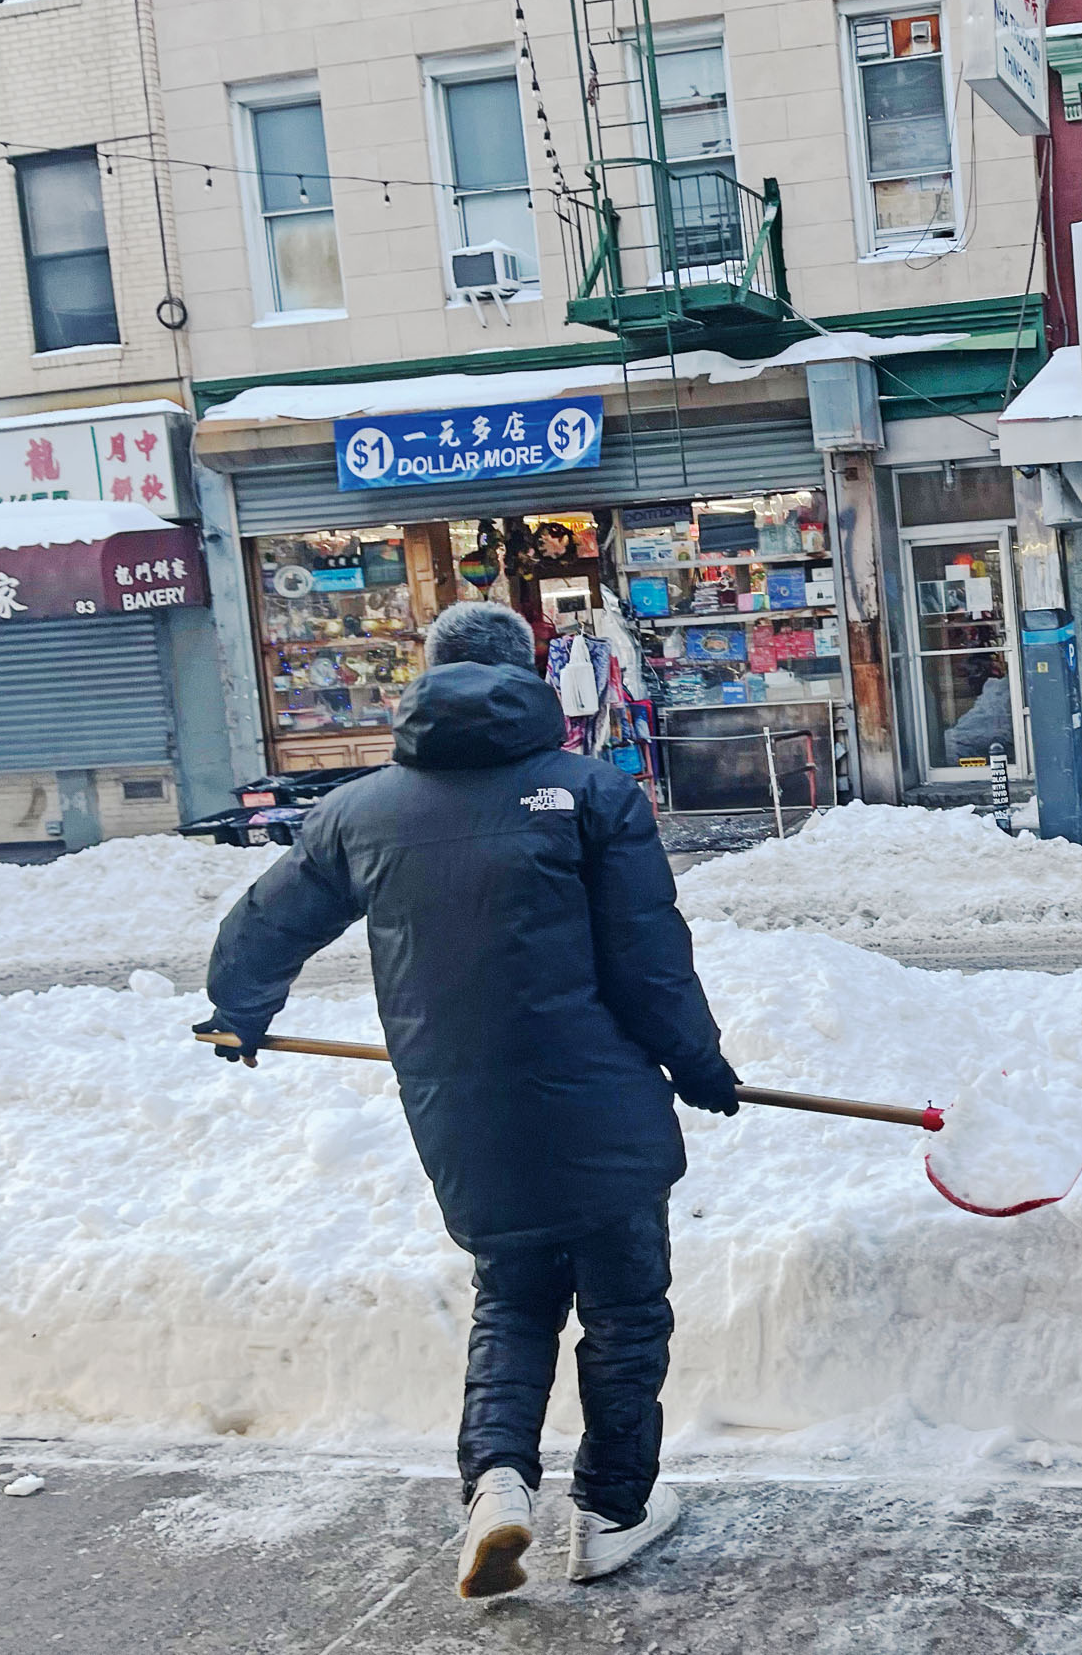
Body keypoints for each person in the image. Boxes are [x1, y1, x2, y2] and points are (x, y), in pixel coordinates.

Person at [197, 600, 740, 1600]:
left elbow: (260, 928)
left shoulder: (359, 811)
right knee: (623, 1309)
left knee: (515, 1297)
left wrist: (239, 1011)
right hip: (603, 1107)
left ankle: (497, 1480)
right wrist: (699, 1065)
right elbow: (649, 963)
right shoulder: (589, 793)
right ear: (529, 675)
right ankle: (614, 1512)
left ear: (428, 676)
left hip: (465, 1117)